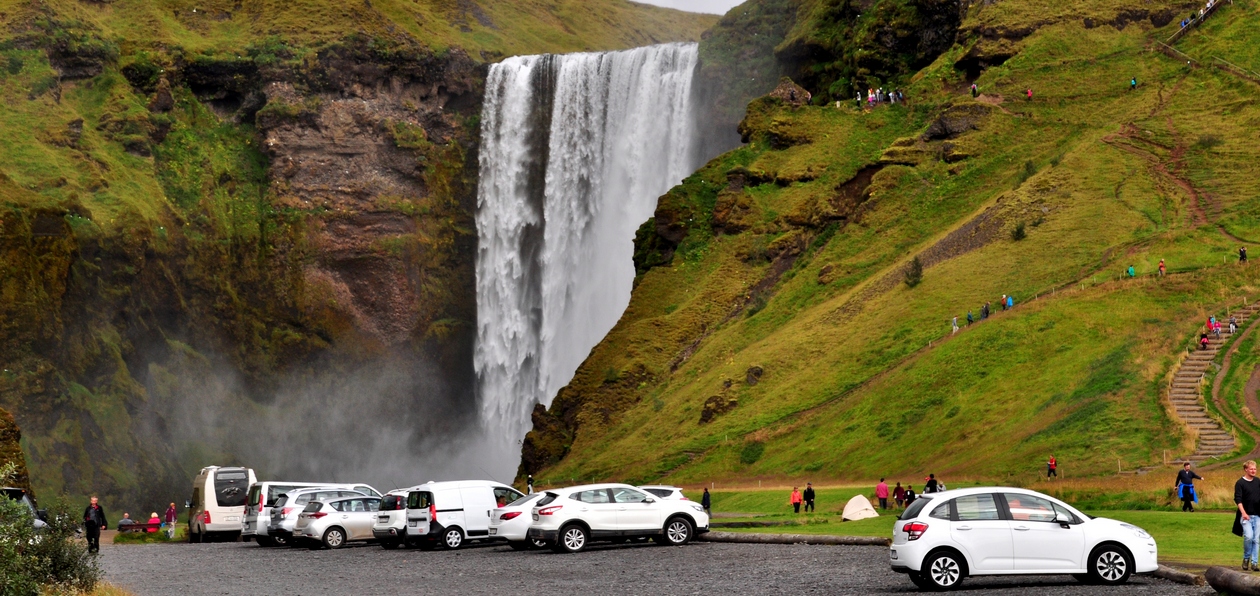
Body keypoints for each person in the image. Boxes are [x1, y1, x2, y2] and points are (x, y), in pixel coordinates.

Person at [1235, 460, 1260, 571]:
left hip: (1258, 515)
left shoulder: (1258, 481)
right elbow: (1238, 499)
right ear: (1246, 469)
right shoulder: (1240, 483)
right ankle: (1246, 559)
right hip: (1246, 516)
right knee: (1249, 537)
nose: (1253, 471)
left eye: (1255, 469)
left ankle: (1254, 563)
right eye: (1251, 469)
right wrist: (1244, 513)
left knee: (1256, 539)